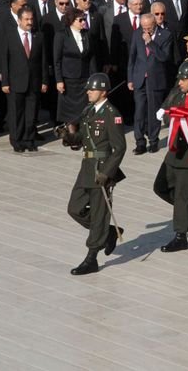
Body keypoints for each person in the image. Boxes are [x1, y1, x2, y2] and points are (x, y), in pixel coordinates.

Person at [60, 72, 126, 275]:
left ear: (103, 91)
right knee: (74, 207)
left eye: (92, 89)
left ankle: (92, 258)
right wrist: (69, 135)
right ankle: (107, 232)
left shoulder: (111, 114)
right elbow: (82, 138)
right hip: (87, 166)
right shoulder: (88, 110)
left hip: (101, 168)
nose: (88, 92)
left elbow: (119, 148)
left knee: (99, 213)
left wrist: (107, 173)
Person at [153, 61, 188, 252]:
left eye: (184, 79)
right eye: (180, 79)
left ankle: (180, 235)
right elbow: (167, 114)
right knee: (160, 187)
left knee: (182, 195)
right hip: (175, 151)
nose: (180, 83)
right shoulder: (178, 94)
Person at [0, 6, 48, 152]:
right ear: (19, 20)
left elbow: (43, 61)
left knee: (31, 114)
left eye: (31, 19)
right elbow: (4, 60)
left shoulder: (39, 36)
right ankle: (16, 140)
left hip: (34, 82)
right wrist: (5, 81)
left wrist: (44, 81)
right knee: (16, 113)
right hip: (15, 82)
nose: (29, 22)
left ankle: (29, 139)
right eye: (26, 19)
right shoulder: (10, 35)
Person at [127, 13, 173, 154]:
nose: (146, 30)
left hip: (156, 79)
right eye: (143, 27)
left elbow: (164, 57)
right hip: (140, 78)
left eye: (149, 27)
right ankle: (140, 142)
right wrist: (130, 79)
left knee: (154, 112)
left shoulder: (165, 35)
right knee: (139, 112)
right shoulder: (136, 34)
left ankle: (153, 140)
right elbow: (132, 58)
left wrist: (150, 42)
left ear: (155, 24)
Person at [53, 7, 96, 125]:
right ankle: (72, 137)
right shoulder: (61, 35)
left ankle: (82, 134)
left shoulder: (87, 34)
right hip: (69, 78)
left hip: (85, 77)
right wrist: (59, 80)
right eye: (80, 20)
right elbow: (57, 60)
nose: (84, 22)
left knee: (84, 109)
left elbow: (91, 57)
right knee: (70, 111)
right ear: (72, 20)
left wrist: (93, 77)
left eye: (84, 19)